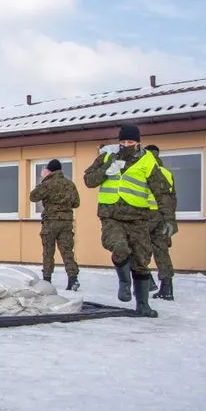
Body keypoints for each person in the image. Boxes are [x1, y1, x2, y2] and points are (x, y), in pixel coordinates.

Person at [82, 125, 174, 317]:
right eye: (123, 142)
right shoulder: (108, 157)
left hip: (139, 217)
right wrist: (106, 170)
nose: (126, 145)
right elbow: (89, 180)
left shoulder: (148, 161)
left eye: (130, 142)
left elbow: (162, 192)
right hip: (111, 215)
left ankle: (142, 305)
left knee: (141, 260)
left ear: (138, 142)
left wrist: (169, 219)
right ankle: (124, 283)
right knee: (119, 247)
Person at [28, 159, 80, 290]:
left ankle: (47, 280)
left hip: (50, 222)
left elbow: (33, 197)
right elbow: (76, 203)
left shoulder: (47, 183)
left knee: (48, 251)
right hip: (66, 222)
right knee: (67, 251)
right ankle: (73, 279)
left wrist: (44, 179)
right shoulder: (70, 184)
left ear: (49, 170)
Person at [145, 145, 178, 300]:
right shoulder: (167, 173)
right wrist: (169, 218)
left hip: (144, 215)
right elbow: (172, 199)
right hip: (162, 216)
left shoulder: (143, 170)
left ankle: (147, 282)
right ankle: (167, 287)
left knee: (138, 249)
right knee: (162, 251)